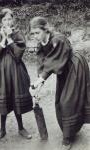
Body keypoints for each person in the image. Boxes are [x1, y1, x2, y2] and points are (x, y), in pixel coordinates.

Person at [29, 16, 90, 150]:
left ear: (45, 29)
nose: (35, 36)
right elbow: (43, 63)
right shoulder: (41, 44)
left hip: (74, 67)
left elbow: (54, 61)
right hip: (62, 71)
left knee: (67, 102)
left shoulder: (58, 39)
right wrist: (38, 85)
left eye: (37, 32)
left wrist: (42, 79)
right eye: (32, 33)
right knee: (60, 101)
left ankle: (67, 139)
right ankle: (71, 129)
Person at [0, 8, 33, 141]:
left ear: (13, 20)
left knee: (16, 97)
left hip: (16, 71)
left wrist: (9, 39)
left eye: (10, 19)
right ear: (0, 21)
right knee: (4, 97)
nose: (8, 22)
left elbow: (19, 54)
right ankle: (2, 130)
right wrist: (3, 39)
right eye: (5, 19)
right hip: (2, 72)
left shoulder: (18, 34)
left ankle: (21, 128)